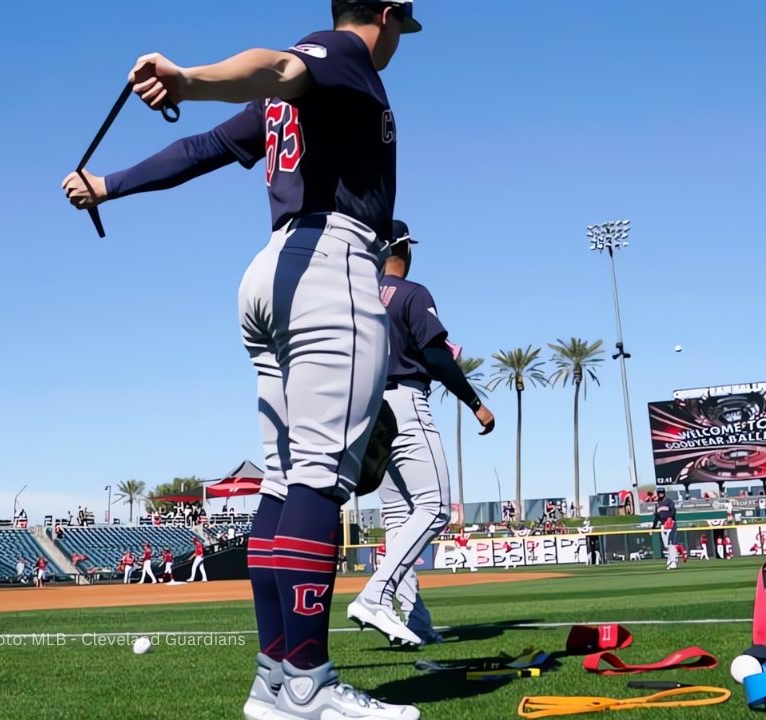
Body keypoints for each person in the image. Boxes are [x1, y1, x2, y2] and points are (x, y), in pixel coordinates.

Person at [61, 3, 422, 719]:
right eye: (400, 28)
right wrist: (189, 78)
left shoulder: (304, 95)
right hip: (330, 262)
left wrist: (108, 185)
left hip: (269, 272)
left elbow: (202, 151)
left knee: (283, 484)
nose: (396, 45)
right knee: (319, 479)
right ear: (385, 13)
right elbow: (281, 64)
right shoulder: (341, 52)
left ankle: (274, 679)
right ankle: (309, 683)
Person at [349, 220, 494, 647]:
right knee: (433, 509)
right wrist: (475, 402)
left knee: (398, 518)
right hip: (404, 402)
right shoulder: (412, 293)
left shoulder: (357, 299)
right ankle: (375, 596)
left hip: (367, 412)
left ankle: (416, 622)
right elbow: (434, 354)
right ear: (405, 249)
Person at [651, 488, 679, 570]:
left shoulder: (669, 501)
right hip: (663, 525)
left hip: (671, 524)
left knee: (671, 544)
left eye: (662, 492)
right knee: (666, 545)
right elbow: (656, 517)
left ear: (664, 493)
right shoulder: (658, 504)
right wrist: (653, 527)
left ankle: (674, 561)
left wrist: (670, 517)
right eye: (659, 493)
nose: (661, 494)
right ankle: (671, 558)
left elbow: (673, 511)